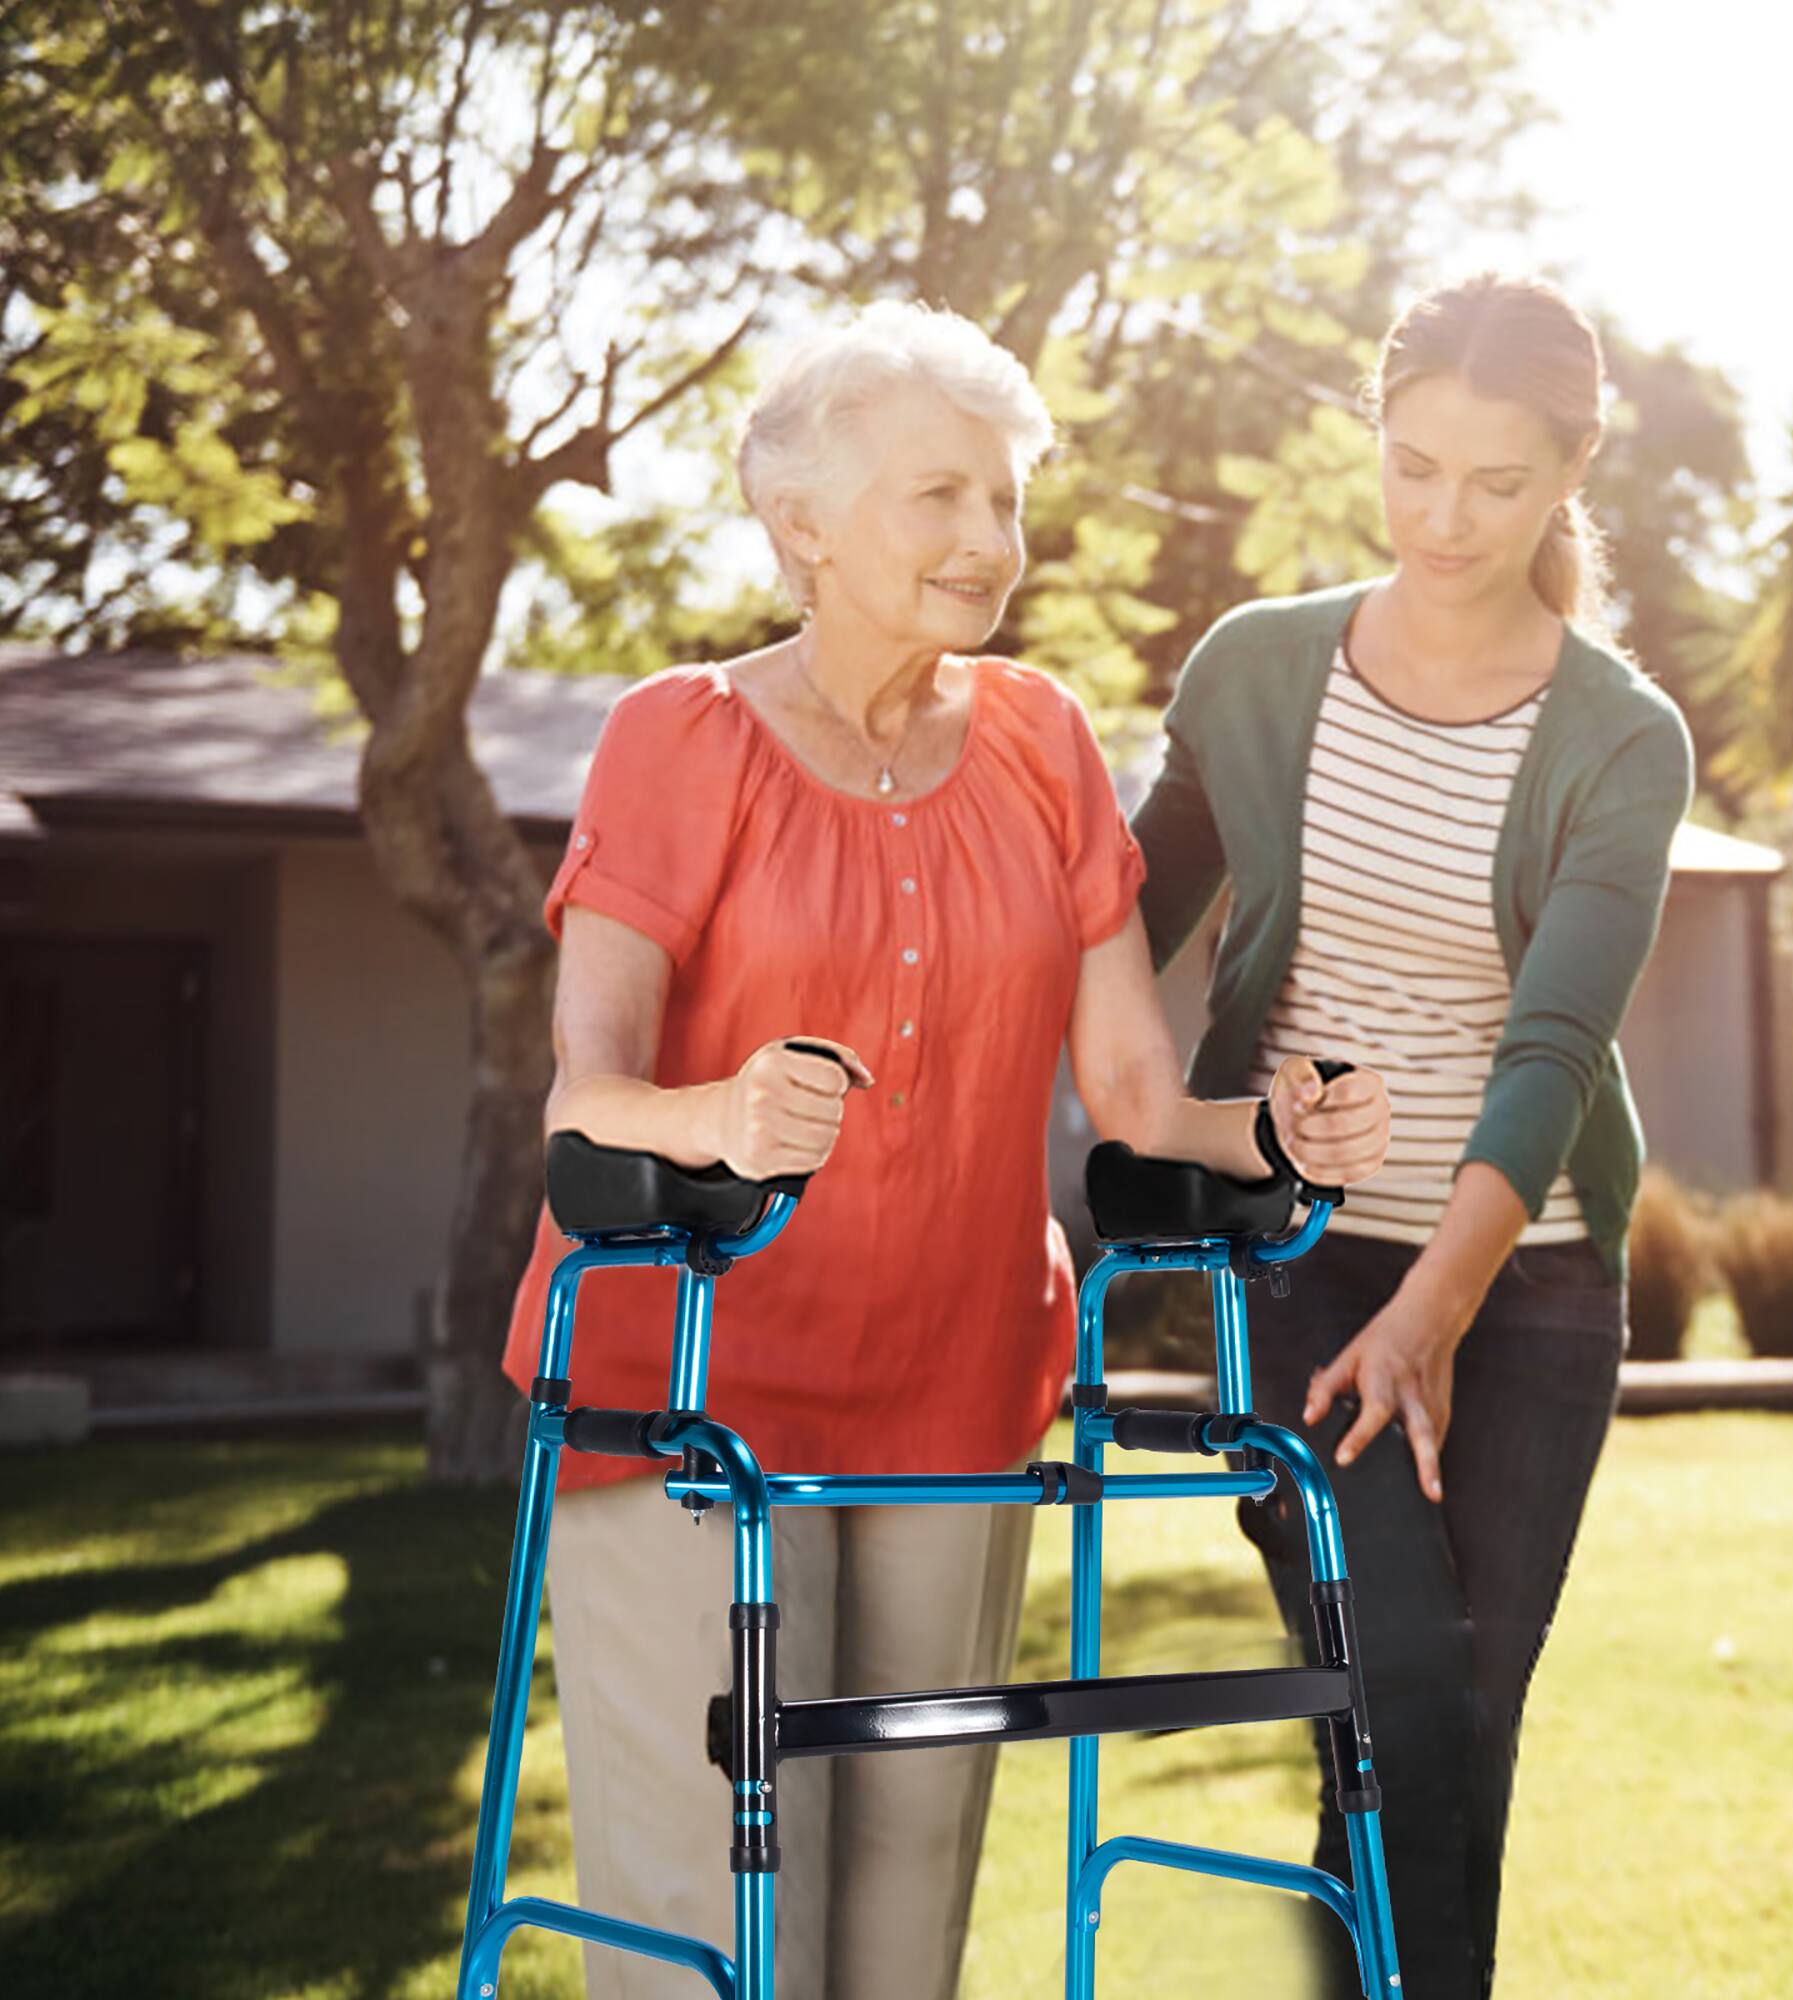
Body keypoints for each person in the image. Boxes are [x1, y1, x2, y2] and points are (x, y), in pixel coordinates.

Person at [499, 300, 1393, 2000]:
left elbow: (1135, 1093)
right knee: (727, 1926)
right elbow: (583, 1088)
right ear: (805, 525)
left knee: (908, 1928)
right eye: (940, 498)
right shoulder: (678, 740)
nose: (991, 540)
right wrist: (720, 1117)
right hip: (684, 1379)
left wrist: (1276, 1123)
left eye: (1005, 499)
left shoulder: (1048, 743)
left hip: (956, 1374)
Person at [1133, 273, 1694, 1998]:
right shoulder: (1257, 669)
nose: (1447, 519)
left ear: (1571, 475)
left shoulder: (1619, 738)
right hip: (1293, 1256)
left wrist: (1439, 1306)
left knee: (1449, 1725)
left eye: (1498, 483)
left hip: (1524, 1285)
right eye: (1413, 466)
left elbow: (1551, 1050)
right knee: (1400, 1697)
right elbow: (1106, 928)